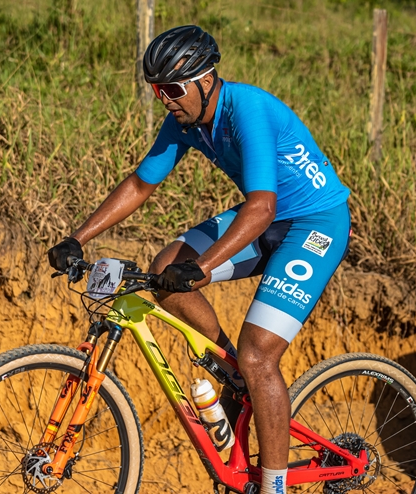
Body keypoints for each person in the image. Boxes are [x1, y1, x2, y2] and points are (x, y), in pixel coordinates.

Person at [47, 25, 350, 494]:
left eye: (172, 89)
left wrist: (203, 266)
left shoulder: (246, 109)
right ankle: (231, 372)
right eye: (157, 90)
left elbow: (262, 208)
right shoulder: (184, 121)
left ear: (206, 80)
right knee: (165, 267)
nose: (164, 100)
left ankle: (273, 485)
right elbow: (140, 184)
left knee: (259, 355)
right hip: (266, 215)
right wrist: (77, 237)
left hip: (314, 223)